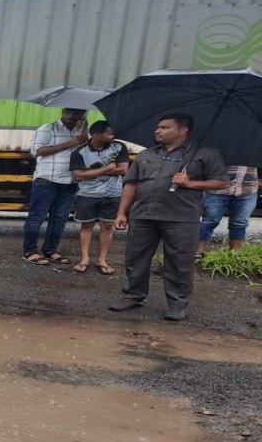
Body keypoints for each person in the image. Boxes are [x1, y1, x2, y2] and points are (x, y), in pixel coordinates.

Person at [109, 113, 227, 322]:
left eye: (164, 127)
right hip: (143, 215)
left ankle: (177, 304)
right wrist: (121, 212)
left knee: (179, 263)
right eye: (158, 127)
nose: (158, 130)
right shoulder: (146, 155)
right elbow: (131, 183)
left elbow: (221, 182)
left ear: (183, 130)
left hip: (181, 218)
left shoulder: (205, 154)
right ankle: (133, 295)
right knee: (135, 259)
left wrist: (191, 183)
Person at [22, 108, 88, 265]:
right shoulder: (47, 128)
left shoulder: (82, 132)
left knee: (59, 218)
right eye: (68, 112)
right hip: (47, 179)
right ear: (63, 111)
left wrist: (84, 137)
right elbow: (37, 151)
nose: (70, 115)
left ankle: (50, 250)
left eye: (76, 113)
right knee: (37, 217)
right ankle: (30, 251)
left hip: (70, 181)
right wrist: (70, 143)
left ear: (82, 114)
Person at [69, 121, 130, 274]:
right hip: (87, 194)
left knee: (107, 226)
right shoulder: (79, 151)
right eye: (109, 133)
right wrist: (108, 168)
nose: (113, 136)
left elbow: (123, 169)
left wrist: (93, 172)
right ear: (97, 135)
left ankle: (102, 260)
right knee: (86, 226)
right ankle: (85, 258)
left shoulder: (119, 147)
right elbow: (78, 175)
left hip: (112, 193)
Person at [196, 165, 258, 257]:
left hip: (247, 189)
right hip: (217, 189)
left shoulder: (254, 151)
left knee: (240, 222)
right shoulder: (224, 150)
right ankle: (198, 250)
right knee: (210, 220)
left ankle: (235, 253)